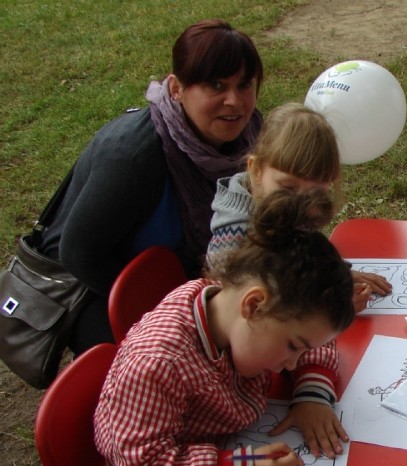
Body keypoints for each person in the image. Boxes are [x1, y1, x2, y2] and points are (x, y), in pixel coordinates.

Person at [93, 190, 356, 466]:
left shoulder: (239, 310)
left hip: (224, 441)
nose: (293, 363)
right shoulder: (157, 364)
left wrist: (311, 391)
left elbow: (314, 336)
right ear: (254, 304)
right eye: (293, 348)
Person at [36, 19, 264, 355]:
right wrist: (172, 309)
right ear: (176, 88)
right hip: (97, 290)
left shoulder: (251, 136)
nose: (235, 101)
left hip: (182, 274)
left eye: (245, 85)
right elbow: (78, 254)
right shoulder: (132, 156)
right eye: (216, 85)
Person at [206, 101, 392, 312]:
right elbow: (243, 315)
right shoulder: (234, 236)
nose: (303, 201)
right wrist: (329, 308)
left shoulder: (285, 205)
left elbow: (297, 260)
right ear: (256, 170)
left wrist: (333, 275)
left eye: (317, 190)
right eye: (288, 186)